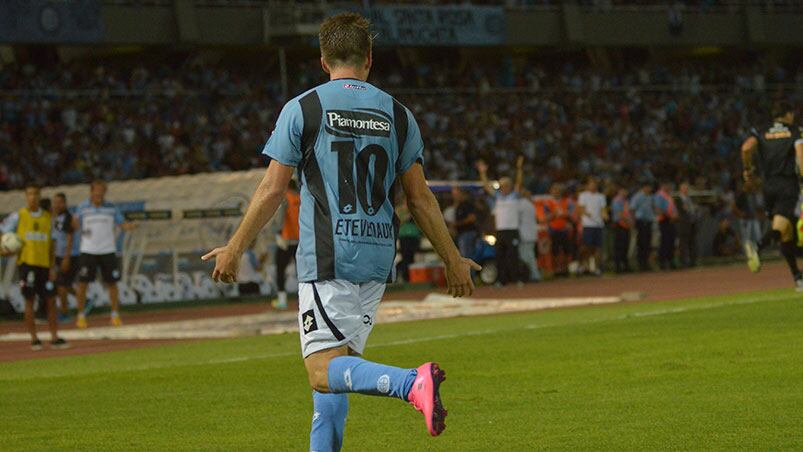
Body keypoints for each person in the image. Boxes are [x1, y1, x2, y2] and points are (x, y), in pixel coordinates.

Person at [201, 13, 479, 450]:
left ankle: (411, 383)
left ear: (323, 60)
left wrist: (235, 247)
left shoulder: (305, 108)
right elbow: (420, 199)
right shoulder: (399, 114)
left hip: (330, 257)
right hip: (376, 259)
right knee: (336, 371)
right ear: (370, 58)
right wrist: (452, 259)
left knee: (319, 369)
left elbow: (273, 188)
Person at [741, 101, 803, 291]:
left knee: (786, 233)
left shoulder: (760, 130)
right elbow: (801, 156)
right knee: (782, 226)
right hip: (787, 184)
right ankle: (758, 246)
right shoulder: (795, 131)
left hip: (768, 187)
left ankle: (797, 276)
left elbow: (745, 148)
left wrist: (748, 170)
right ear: (788, 114)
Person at [0, 186, 69, 350]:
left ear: (39, 196)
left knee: (51, 301)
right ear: (26, 197)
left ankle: (54, 337)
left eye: (35, 194)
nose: (32, 197)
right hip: (27, 264)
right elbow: (3, 231)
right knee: (29, 301)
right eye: (29, 194)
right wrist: (5, 248)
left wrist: (53, 267)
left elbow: (51, 244)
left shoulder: (47, 217)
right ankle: (34, 339)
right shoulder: (19, 216)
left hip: (45, 265)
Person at [73, 180, 136, 328]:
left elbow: (122, 224)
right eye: (96, 190)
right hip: (88, 250)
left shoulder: (111, 208)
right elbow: (75, 224)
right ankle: (81, 316)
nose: (99, 193)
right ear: (91, 191)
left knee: (112, 283)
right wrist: (78, 227)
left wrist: (130, 226)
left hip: (107, 250)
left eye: (102, 190)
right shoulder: (82, 207)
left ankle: (115, 315)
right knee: (83, 283)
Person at [477, 156, 525, 286]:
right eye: (502, 186)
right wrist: (482, 172)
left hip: (512, 230)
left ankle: (517, 279)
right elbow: (487, 186)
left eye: (505, 186)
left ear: (509, 186)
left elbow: (519, 183)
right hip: (501, 231)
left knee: (513, 256)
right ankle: (501, 280)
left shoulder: (514, 196)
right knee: (500, 257)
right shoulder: (498, 197)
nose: (503, 188)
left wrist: (519, 168)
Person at [273, 179, 302, 310]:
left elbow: (280, 217)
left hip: (286, 239)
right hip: (300, 240)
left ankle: (282, 300)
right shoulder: (301, 198)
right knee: (301, 272)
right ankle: (302, 300)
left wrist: (278, 234)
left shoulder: (286, 198)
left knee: (280, 269)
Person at [52, 193, 78, 322]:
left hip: (68, 256)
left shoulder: (68, 217)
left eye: (59, 202)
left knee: (62, 284)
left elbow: (70, 237)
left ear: (65, 203)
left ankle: (64, 312)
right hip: (57, 255)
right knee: (62, 283)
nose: (57, 205)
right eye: (55, 202)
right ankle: (83, 299)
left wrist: (66, 257)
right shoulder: (55, 218)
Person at [577, 177, 608, 276]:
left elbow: (603, 209)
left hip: (598, 225)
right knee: (586, 247)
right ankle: (583, 265)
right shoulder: (583, 195)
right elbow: (580, 209)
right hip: (588, 225)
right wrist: (586, 214)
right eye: (591, 184)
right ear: (587, 185)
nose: (593, 186)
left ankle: (597, 268)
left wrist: (605, 216)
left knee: (598, 248)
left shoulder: (601, 196)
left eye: (595, 184)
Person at [544, 183, 574, 276]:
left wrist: (563, 214)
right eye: (554, 190)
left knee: (566, 250)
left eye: (558, 191)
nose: (556, 192)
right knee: (555, 251)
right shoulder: (548, 203)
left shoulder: (567, 202)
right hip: (554, 229)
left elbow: (571, 215)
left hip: (565, 229)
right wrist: (555, 214)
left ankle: (565, 269)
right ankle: (556, 270)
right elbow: (547, 217)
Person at [395, 194, 421, 283]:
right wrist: (408, 213)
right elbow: (399, 221)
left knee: (412, 257)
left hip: (414, 235)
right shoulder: (399, 209)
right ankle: (403, 275)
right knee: (405, 256)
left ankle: (411, 277)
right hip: (404, 236)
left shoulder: (415, 209)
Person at [630, 181, 655, 271]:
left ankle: (646, 262)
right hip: (640, 221)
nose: (649, 189)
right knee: (641, 242)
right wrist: (633, 222)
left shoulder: (650, 197)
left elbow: (652, 208)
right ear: (644, 187)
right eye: (648, 187)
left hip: (648, 221)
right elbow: (632, 209)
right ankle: (640, 263)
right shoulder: (637, 196)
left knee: (648, 243)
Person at [517, 188, 541, 282]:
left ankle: (533, 275)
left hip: (524, 235)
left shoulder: (521, 204)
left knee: (526, 257)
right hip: (531, 234)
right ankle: (534, 275)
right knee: (530, 256)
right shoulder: (531, 205)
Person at [654, 182, 678, 270]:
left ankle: (670, 260)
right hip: (664, 220)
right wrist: (670, 216)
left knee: (671, 241)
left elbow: (673, 208)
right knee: (665, 241)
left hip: (671, 220)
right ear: (663, 186)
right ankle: (662, 262)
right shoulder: (659, 195)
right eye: (667, 185)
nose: (669, 187)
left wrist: (675, 215)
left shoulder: (668, 196)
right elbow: (658, 209)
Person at [451, 186, 478, 260]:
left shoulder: (467, 204)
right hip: (462, 233)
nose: (454, 196)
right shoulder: (459, 205)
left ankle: (469, 271)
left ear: (461, 193)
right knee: (464, 255)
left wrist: (457, 224)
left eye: (455, 194)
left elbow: (472, 218)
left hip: (467, 233)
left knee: (467, 256)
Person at [676, 182, 698, 268]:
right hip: (683, 225)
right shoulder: (678, 200)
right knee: (683, 244)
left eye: (687, 188)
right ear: (680, 189)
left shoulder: (690, 199)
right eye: (684, 188)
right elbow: (681, 211)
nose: (686, 190)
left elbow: (692, 210)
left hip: (692, 223)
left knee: (692, 243)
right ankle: (683, 262)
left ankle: (692, 261)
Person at [611, 186, 632, 273]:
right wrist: (628, 220)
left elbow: (628, 213)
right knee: (619, 246)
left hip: (626, 225)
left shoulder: (626, 201)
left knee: (625, 246)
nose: (625, 192)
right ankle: (618, 266)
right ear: (619, 190)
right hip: (619, 225)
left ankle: (625, 265)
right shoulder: (617, 200)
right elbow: (619, 214)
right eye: (624, 190)